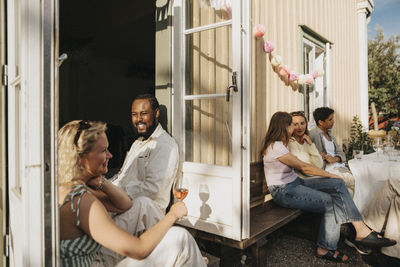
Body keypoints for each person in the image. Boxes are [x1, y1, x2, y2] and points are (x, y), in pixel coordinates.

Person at [58, 120, 206, 267]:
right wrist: (172, 215)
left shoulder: (67, 187)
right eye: (103, 151)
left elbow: (125, 205)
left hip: (95, 257)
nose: (110, 155)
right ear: (81, 159)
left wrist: (101, 182)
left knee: (143, 204)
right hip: (98, 261)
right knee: (181, 239)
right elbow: (139, 249)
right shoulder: (82, 202)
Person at [261, 112, 396, 263]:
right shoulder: (276, 147)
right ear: (285, 126)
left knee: (338, 184)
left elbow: (310, 164)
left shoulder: (282, 144)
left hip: (296, 183)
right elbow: (304, 167)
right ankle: (325, 247)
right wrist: (329, 174)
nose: (295, 127)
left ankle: (360, 229)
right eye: (292, 124)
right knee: (331, 202)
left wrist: (331, 176)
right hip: (284, 191)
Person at [112, 94, 179, 214]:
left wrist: (115, 194)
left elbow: (152, 189)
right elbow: (122, 176)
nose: (138, 119)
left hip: (144, 214)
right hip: (123, 205)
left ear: (156, 113)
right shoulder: (137, 143)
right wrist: (105, 187)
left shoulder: (164, 145)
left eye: (143, 113)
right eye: (134, 114)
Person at [289, 111, 354, 197]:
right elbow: (305, 168)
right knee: (347, 183)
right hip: (305, 180)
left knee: (349, 191)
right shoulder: (290, 143)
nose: (300, 127)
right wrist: (329, 175)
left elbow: (318, 164)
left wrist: (311, 145)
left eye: (302, 123)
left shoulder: (306, 141)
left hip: (316, 176)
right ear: (290, 126)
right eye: (295, 124)